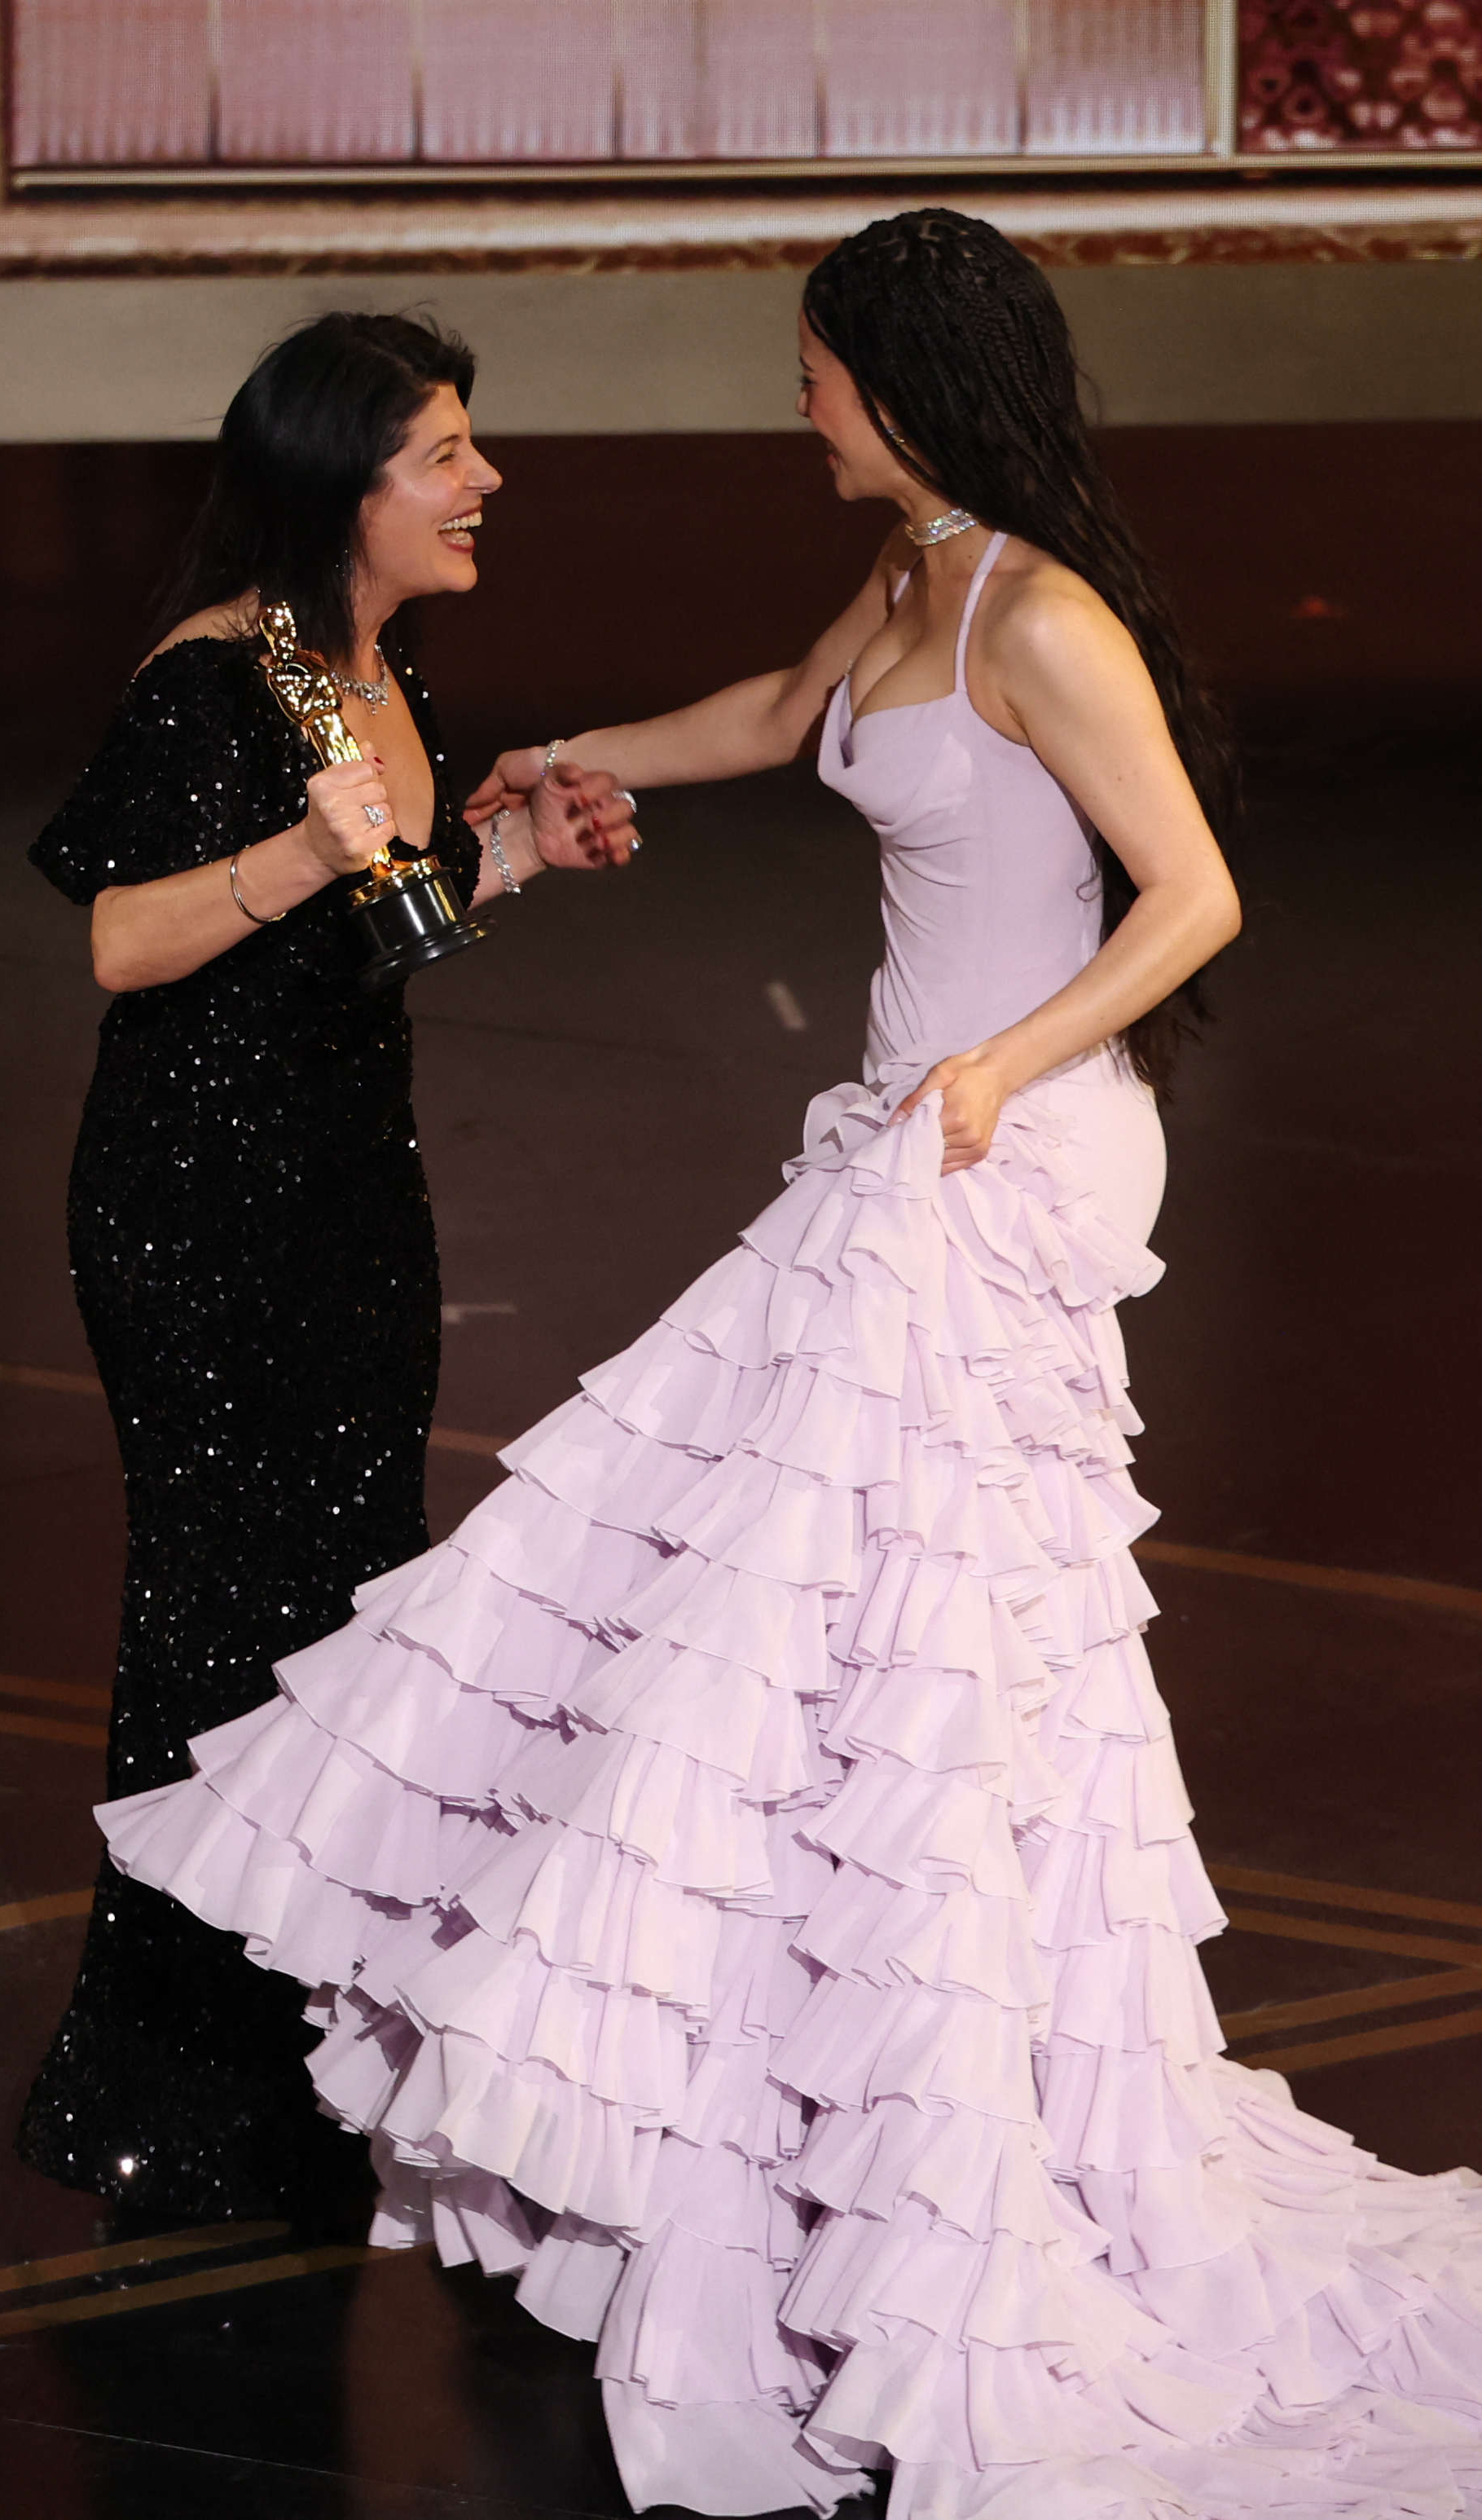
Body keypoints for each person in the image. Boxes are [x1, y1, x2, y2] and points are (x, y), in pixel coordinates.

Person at [99, 213, 1482, 2513]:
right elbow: (768, 718)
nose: (797, 400)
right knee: (801, 1608)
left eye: (818, 369)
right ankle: (802, 2086)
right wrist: (557, 754)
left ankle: (919, 2113)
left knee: (875, 1618)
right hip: (907, 1151)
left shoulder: (1034, 607)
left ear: (908, 380)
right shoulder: (913, 576)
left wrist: (1003, 1067)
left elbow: (1194, 893)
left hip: (997, 1159)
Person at [17, 310, 637, 2226]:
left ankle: (287, 2044)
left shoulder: (373, 669)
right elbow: (125, 945)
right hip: (196, 1224)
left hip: (351, 1214)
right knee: (218, 1632)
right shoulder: (216, 681)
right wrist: (306, 850)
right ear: (335, 483)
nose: (484, 481)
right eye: (443, 452)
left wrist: (505, 853)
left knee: (337, 1628)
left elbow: (384, 923)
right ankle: (154, 2078)